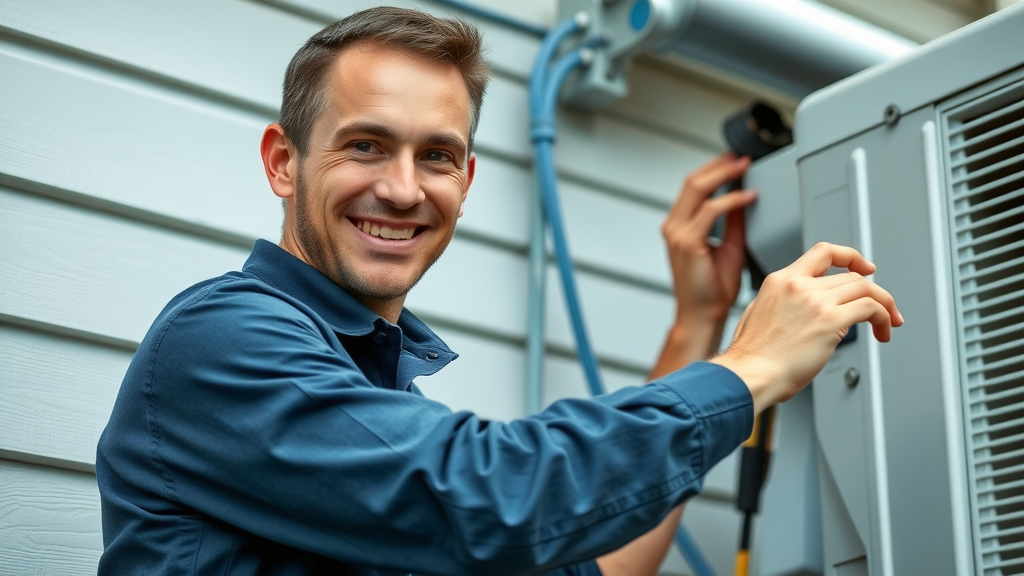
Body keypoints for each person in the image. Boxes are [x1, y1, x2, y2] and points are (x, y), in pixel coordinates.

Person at [96, 7, 902, 576]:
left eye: (437, 156)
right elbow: (502, 496)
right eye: (366, 145)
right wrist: (749, 368)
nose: (404, 189)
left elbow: (592, 563)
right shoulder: (222, 338)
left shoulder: (378, 400)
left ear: (467, 179)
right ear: (283, 162)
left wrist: (698, 324)